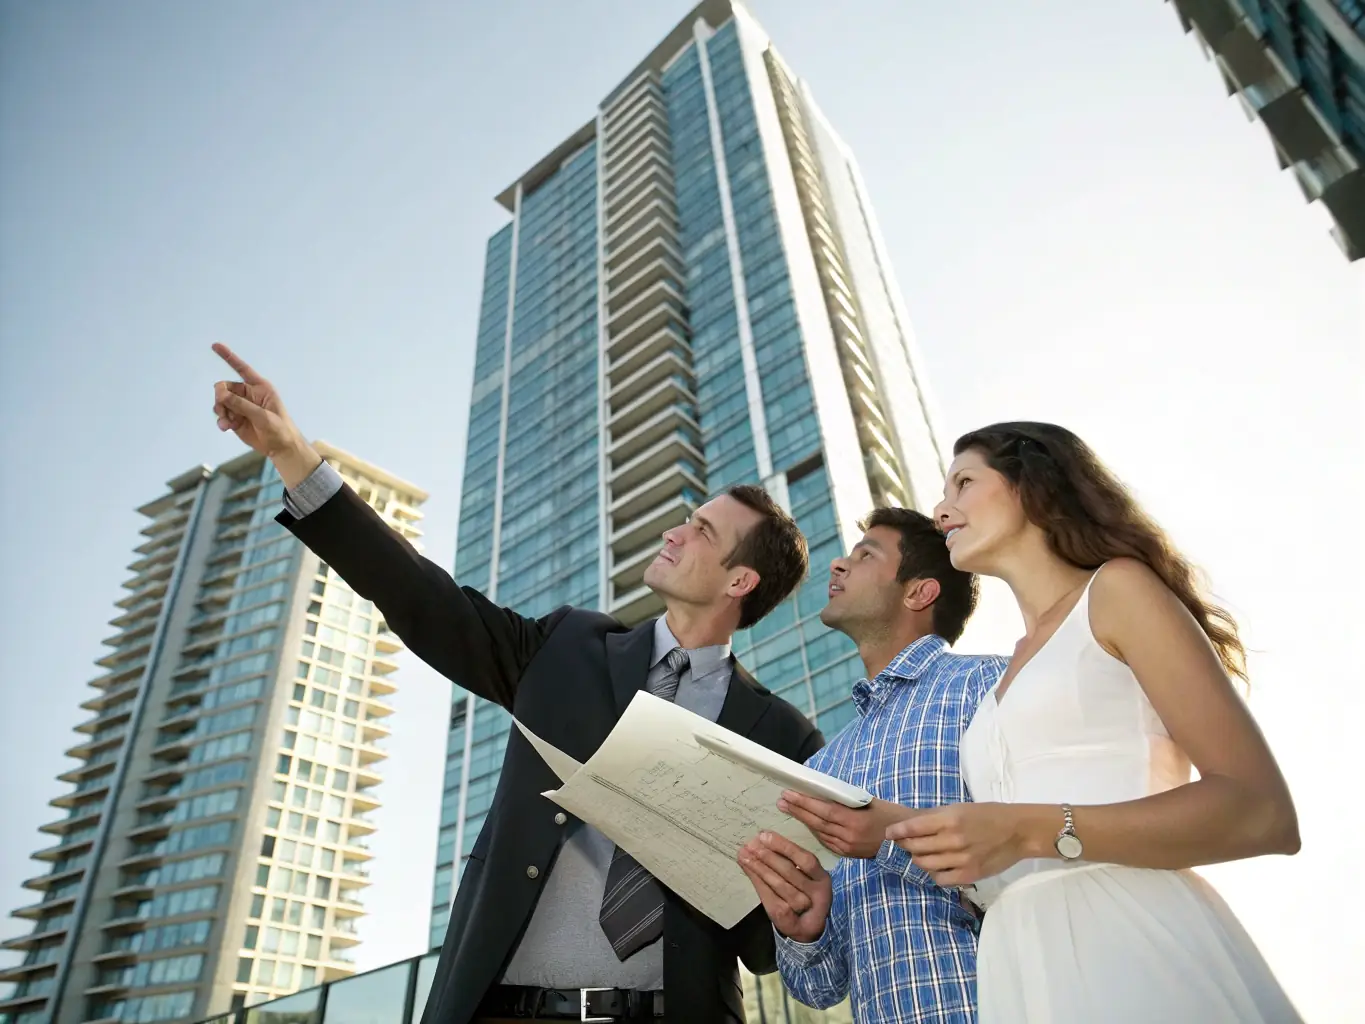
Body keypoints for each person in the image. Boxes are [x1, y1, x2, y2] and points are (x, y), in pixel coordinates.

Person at [210, 343, 825, 1024]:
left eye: (702, 531)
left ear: (740, 582)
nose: (674, 533)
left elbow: (763, 942)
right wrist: (292, 453)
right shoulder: (566, 647)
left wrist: (795, 918)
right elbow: (420, 597)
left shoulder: (782, 737)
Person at [886, 421, 1302, 1023]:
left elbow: (1262, 812)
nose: (940, 508)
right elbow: (1013, 847)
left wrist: (1026, 830)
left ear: (1032, 485)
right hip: (1021, 969)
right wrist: (903, 835)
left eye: (964, 482)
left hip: (1133, 944)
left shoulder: (1118, 592)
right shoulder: (1001, 679)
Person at [735, 507, 1006, 1022]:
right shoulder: (824, 764)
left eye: (865, 556)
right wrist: (805, 931)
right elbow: (820, 989)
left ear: (919, 593)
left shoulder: (990, 686)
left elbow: (1048, 859)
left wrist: (893, 840)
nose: (837, 564)